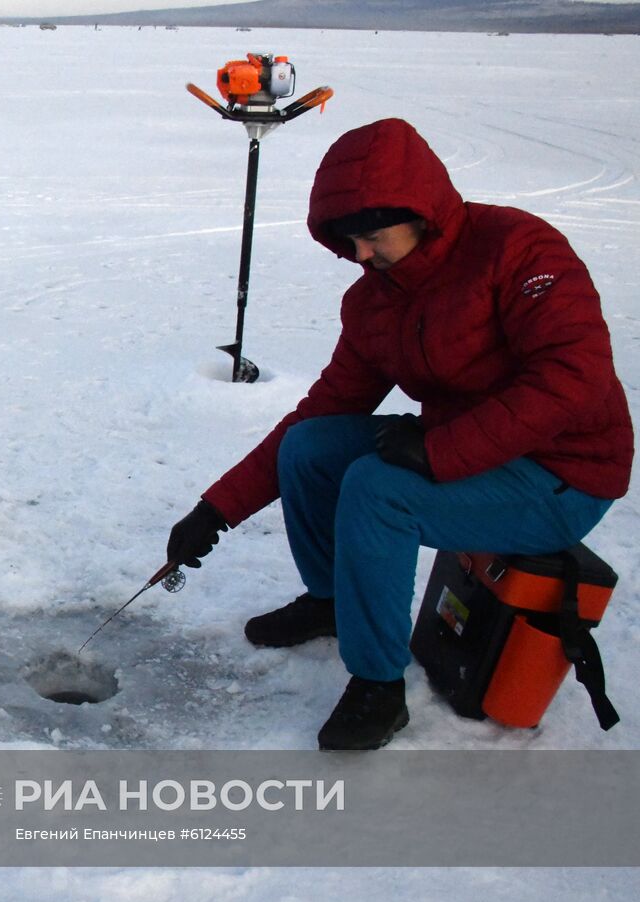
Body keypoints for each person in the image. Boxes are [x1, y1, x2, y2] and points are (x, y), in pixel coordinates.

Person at [164, 118, 633, 750]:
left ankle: (379, 688)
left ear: (420, 212)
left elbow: (572, 379)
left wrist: (438, 451)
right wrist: (215, 509)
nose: (360, 256)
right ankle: (333, 600)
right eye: (349, 241)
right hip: (467, 448)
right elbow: (321, 411)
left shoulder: (520, 248)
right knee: (313, 448)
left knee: (378, 490)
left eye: (372, 236)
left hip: (563, 473)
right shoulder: (375, 300)